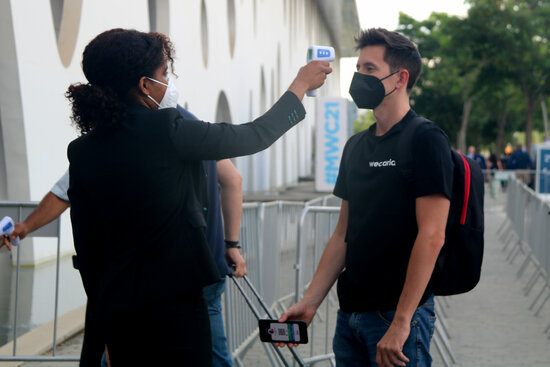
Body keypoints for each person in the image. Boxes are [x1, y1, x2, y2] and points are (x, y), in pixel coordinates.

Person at [65, 28, 330, 366]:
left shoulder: (83, 150)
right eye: (164, 74)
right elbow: (254, 135)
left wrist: (103, 326)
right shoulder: (168, 128)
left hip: (119, 310)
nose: (168, 82)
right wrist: (301, 85)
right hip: (176, 307)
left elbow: (88, 250)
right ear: (145, 85)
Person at [278, 28, 453, 367]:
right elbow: (344, 233)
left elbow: (432, 236)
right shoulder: (355, 146)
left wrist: (402, 323)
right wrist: (310, 301)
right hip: (350, 318)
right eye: (358, 68)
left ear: (400, 78)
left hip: (397, 319)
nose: (359, 77)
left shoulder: (426, 140)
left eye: (369, 69)